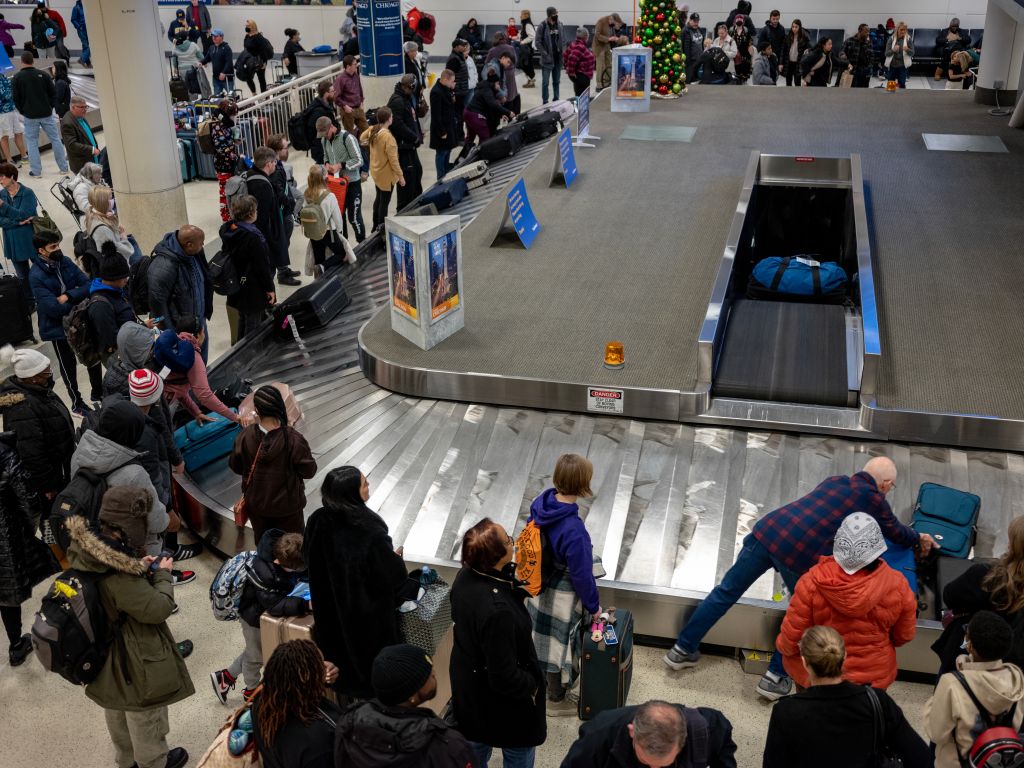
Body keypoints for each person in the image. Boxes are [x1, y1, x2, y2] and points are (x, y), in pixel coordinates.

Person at [664, 457, 935, 700]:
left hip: (768, 533)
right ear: (886, 484)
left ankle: (681, 649)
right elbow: (895, 531)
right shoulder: (874, 499)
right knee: (803, 615)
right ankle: (774, 678)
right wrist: (918, 538)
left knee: (725, 593)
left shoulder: (836, 481)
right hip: (799, 554)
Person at [65, 488, 192, 768]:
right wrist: (163, 575)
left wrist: (137, 566)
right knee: (145, 716)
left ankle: (126, 761)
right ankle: (154, 761)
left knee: (117, 709)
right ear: (130, 525)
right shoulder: (118, 573)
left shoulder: (87, 552)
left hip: (103, 655)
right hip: (133, 659)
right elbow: (157, 609)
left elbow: (114, 593)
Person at [775, 513, 918, 690]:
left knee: (811, 715)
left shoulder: (812, 581)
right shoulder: (898, 585)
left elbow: (790, 639)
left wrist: (788, 654)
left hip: (817, 675)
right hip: (871, 679)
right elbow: (904, 635)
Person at [302, 466, 407, 701]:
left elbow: (307, 557)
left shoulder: (317, 520)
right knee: (371, 677)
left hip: (330, 616)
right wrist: (396, 560)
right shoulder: (369, 531)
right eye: (364, 484)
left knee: (343, 672)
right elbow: (393, 577)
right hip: (368, 624)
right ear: (351, 493)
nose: (368, 487)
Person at [764, 625, 931, 768]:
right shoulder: (877, 702)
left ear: (805, 662)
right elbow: (921, 759)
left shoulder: (786, 712)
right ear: (844, 657)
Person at [451, 518, 545, 767]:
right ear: (496, 555)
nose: (513, 543)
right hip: (505, 704)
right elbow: (503, 675)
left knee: (474, 750)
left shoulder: (465, 576)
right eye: (508, 540)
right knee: (518, 754)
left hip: (470, 692)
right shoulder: (498, 611)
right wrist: (532, 685)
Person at [528, 454, 602, 716]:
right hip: (561, 594)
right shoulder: (573, 529)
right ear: (583, 485)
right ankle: (555, 699)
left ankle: (541, 686)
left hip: (537, 584)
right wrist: (594, 607)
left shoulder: (541, 503)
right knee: (559, 644)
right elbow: (582, 575)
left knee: (540, 639)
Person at [335, 643, 479, 767]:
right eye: (427, 675)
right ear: (411, 695)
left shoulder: (348, 723)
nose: (434, 673)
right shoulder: (448, 746)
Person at [211, 529, 309, 704]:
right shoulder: (265, 574)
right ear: (279, 562)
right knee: (256, 658)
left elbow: (300, 570)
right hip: (252, 619)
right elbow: (275, 605)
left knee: (253, 650)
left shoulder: (284, 550)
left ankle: (225, 677)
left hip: (259, 613)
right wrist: (304, 605)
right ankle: (251, 692)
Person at [71, 399, 168, 556]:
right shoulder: (134, 475)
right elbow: (156, 523)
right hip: (133, 552)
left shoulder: (79, 453)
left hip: (93, 541)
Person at [927, 611, 1024, 768]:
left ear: (969, 645)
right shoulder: (1017, 678)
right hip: (997, 760)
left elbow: (936, 733)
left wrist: (936, 700)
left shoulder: (951, 683)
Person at [932, 516, 1024, 674]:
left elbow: (949, 596)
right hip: (1014, 676)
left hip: (969, 664)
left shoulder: (986, 576)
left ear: (1013, 546)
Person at [0, 347, 75, 538]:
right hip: (47, 481)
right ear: (32, 377)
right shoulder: (21, 409)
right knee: (49, 518)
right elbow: (31, 454)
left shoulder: (40, 391)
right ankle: (54, 548)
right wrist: (47, 486)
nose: (50, 374)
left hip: (60, 471)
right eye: (46, 372)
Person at [0, 428, 58, 667]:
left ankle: (16, 644)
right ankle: (16, 644)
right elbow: (28, 497)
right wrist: (28, 527)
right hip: (6, 533)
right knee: (7, 590)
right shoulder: (4, 454)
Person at [28, 229, 102, 415]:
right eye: (53, 246)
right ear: (41, 251)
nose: (58, 249)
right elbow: (52, 308)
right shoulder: (36, 275)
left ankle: (98, 393)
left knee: (92, 356)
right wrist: (76, 301)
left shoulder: (66, 262)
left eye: (58, 244)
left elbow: (88, 284)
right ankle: (77, 403)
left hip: (81, 321)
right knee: (67, 365)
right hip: (57, 327)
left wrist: (69, 295)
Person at [229, 385, 315, 541]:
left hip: (257, 507)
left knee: (265, 546)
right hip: (288, 509)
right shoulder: (293, 439)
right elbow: (309, 470)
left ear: (257, 410)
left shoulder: (245, 436)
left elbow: (236, 466)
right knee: (292, 550)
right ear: (280, 407)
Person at [561, 699, 737, 768]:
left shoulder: (709, 730)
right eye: (645, 762)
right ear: (632, 732)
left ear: (683, 738)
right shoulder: (598, 737)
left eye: (663, 766)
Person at [251, 640, 341, 768]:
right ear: (307, 680)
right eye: (321, 666)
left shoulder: (262, 701)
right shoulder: (317, 745)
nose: (325, 667)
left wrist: (323, 680)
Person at [155, 317, 237, 425]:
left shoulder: (173, 348)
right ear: (197, 336)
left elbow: (177, 387)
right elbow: (205, 396)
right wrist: (235, 417)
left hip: (154, 397)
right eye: (203, 331)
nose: (204, 335)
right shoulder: (193, 357)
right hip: (162, 407)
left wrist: (196, 412)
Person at [148, 225, 215, 355]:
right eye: (201, 244)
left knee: (201, 366)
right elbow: (157, 309)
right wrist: (172, 336)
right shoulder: (163, 267)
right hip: (180, 334)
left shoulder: (195, 253)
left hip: (198, 325)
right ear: (189, 245)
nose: (203, 246)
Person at [220, 195, 276, 340]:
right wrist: (270, 288)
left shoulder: (229, 230)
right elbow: (262, 266)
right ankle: (250, 354)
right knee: (253, 324)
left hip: (236, 283)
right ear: (251, 213)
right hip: (253, 288)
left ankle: (239, 348)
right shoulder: (253, 237)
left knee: (242, 319)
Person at [245, 146, 298, 287]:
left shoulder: (251, 175)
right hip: (266, 238)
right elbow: (263, 218)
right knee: (268, 272)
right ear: (268, 164)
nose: (276, 164)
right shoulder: (262, 185)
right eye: (274, 162)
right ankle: (268, 304)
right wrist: (272, 241)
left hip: (260, 236)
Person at [11, 52, 69, 178]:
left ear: (22, 61)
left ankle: (36, 172)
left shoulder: (17, 77)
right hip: (46, 113)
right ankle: (64, 168)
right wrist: (50, 107)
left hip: (30, 115)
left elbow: (16, 98)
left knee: (32, 142)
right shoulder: (44, 75)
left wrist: (23, 111)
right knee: (55, 139)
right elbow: (53, 94)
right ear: (33, 61)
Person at [86, 248, 139, 366]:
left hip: (131, 346)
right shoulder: (100, 306)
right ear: (113, 278)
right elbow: (113, 339)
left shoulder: (116, 290)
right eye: (124, 277)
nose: (127, 280)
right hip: (119, 359)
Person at [316, 117, 365, 244]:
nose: (325, 137)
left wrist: (340, 165)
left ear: (332, 127)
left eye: (326, 133)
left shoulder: (347, 138)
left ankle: (363, 243)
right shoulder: (324, 141)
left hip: (352, 182)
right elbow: (326, 156)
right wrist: (327, 164)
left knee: (354, 217)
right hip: (336, 184)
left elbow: (359, 160)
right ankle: (344, 246)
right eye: (322, 135)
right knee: (339, 216)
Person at [0, 161, 40, 308]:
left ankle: (49, 294)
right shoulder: (2, 194)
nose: (0, 180)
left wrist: (4, 207)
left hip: (30, 239)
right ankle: (30, 303)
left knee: (42, 268)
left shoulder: (27, 193)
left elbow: (25, 214)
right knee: (23, 277)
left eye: (2, 176)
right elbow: (1, 220)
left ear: (12, 176)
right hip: (13, 241)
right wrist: (17, 222)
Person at [360, 108, 403, 234]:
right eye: (391, 116)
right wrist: (401, 176)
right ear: (388, 119)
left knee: (379, 199)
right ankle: (380, 229)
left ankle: (375, 227)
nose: (392, 118)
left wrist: (369, 143)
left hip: (376, 171)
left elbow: (362, 139)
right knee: (384, 202)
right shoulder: (388, 137)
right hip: (386, 175)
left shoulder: (373, 130)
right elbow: (394, 161)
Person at [459, 65, 514, 160]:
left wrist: (501, 115)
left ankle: (464, 158)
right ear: (493, 83)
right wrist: (508, 112)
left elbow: (491, 107)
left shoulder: (486, 87)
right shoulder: (487, 90)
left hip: (468, 113)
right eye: (498, 84)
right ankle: (481, 159)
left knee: (470, 138)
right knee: (485, 138)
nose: (499, 86)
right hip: (474, 115)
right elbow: (493, 105)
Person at [387, 74, 423, 211]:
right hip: (404, 148)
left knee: (417, 173)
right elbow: (397, 125)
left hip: (410, 146)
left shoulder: (405, 98)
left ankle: (415, 204)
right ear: (410, 87)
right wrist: (413, 137)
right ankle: (404, 210)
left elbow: (411, 119)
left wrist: (418, 133)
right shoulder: (397, 101)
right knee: (407, 180)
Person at [85, 185, 140, 266]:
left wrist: (113, 219)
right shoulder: (102, 229)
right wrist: (124, 239)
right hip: (118, 270)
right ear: (103, 202)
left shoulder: (96, 215)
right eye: (110, 199)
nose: (112, 200)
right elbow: (119, 253)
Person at [428, 70, 461, 181]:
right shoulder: (436, 92)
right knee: (442, 153)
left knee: (448, 150)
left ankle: (446, 171)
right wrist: (441, 132)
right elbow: (436, 115)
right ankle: (440, 177)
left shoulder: (446, 89)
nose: (454, 83)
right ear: (445, 79)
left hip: (449, 126)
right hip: (442, 129)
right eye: (452, 81)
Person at [210, 99, 238, 221]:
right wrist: (233, 147)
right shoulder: (218, 125)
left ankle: (229, 214)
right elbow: (221, 148)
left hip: (226, 163)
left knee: (228, 190)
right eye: (232, 114)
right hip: (223, 165)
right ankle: (225, 217)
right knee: (224, 192)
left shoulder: (223, 124)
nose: (234, 117)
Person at [60, 95, 100, 174]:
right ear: (73, 107)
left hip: (91, 159)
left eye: (86, 107)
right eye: (82, 107)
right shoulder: (67, 123)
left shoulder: (80, 116)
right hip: (82, 165)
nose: (85, 110)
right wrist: (91, 150)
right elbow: (72, 145)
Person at [332, 55, 369, 137]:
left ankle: (368, 149)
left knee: (367, 132)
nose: (357, 65)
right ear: (348, 66)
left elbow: (359, 89)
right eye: (355, 64)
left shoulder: (356, 75)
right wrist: (345, 106)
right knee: (350, 135)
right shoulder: (340, 79)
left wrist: (361, 102)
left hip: (358, 108)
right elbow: (336, 97)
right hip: (348, 111)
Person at [536, 7, 566, 105]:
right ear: (549, 15)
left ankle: (556, 100)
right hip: (547, 60)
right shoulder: (542, 26)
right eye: (554, 14)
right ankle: (545, 102)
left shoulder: (560, 24)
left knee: (556, 82)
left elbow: (563, 40)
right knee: (545, 83)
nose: (556, 16)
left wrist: (564, 53)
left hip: (558, 59)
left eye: (557, 14)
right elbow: (537, 42)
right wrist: (545, 54)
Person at [486, 31, 520, 115]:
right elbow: (515, 61)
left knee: (500, 95)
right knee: (510, 97)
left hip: (499, 75)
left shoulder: (492, 50)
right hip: (510, 75)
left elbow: (487, 64)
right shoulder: (511, 48)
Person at [304, 79, 337, 166]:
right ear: (326, 93)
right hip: (321, 149)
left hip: (325, 146)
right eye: (332, 91)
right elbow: (314, 132)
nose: (334, 93)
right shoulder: (318, 111)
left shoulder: (327, 105)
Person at [0, 71, 27, 167]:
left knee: (18, 132)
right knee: (4, 136)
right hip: (2, 112)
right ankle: (9, 160)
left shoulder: (3, 75)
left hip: (12, 109)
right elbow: (5, 94)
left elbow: (10, 90)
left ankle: (24, 156)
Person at [593, 13, 625, 91]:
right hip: (599, 46)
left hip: (606, 45)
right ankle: (599, 85)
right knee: (600, 66)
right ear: (611, 18)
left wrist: (615, 38)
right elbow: (597, 35)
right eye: (615, 23)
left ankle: (607, 82)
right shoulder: (601, 21)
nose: (615, 25)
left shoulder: (612, 24)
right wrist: (609, 39)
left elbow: (611, 33)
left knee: (609, 63)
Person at [241, 20, 273, 96]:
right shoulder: (247, 36)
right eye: (245, 26)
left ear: (252, 27)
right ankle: (254, 93)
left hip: (260, 60)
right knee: (248, 77)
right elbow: (245, 46)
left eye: (247, 26)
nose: (246, 27)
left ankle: (264, 95)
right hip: (250, 60)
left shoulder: (259, 37)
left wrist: (264, 62)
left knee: (261, 78)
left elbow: (263, 50)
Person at [565, 28, 596, 98]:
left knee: (579, 96)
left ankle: (579, 108)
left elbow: (565, 55)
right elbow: (572, 59)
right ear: (585, 36)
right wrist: (571, 72)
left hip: (581, 75)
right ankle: (580, 109)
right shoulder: (580, 47)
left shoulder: (574, 44)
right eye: (588, 35)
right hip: (582, 76)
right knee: (582, 98)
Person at [202, 29, 234, 97]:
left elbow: (229, 63)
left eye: (216, 36)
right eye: (213, 36)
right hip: (216, 78)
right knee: (217, 98)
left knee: (231, 97)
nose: (213, 38)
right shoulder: (211, 47)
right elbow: (207, 58)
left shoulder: (226, 48)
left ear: (221, 37)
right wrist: (201, 63)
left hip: (227, 78)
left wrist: (223, 72)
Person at [172, 30, 204, 98]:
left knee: (185, 88)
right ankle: (194, 103)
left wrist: (175, 68)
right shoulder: (193, 45)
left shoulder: (175, 47)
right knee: (194, 88)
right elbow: (201, 57)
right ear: (187, 37)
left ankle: (186, 104)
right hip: (193, 69)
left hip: (181, 71)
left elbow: (174, 61)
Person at [445, 39, 472, 116]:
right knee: (457, 114)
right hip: (457, 92)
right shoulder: (454, 59)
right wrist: (452, 93)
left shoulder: (460, 57)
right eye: (462, 45)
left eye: (465, 45)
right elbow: (449, 77)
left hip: (461, 91)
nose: (465, 47)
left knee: (460, 113)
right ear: (456, 47)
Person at [884, 22, 913, 89]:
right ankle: (890, 98)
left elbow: (912, 53)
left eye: (904, 30)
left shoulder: (908, 39)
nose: (903, 31)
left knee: (902, 84)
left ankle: (902, 98)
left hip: (903, 66)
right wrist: (893, 50)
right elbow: (886, 54)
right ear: (897, 29)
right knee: (891, 85)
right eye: (901, 29)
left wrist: (907, 50)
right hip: (892, 65)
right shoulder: (891, 39)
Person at [757, 10, 785, 78]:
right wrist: (762, 58)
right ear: (770, 18)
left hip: (776, 58)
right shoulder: (765, 30)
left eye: (777, 19)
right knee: (765, 78)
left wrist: (781, 62)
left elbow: (783, 47)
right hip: (766, 58)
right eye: (773, 19)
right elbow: (759, 46)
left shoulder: (782, 29)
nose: (775, 21)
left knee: (774, 78)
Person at [782, 19, 810, 87]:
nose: (794, 29)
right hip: (789, 63)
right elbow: (783, 51)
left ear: (799, 27)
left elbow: (808, 51)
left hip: (798, 63)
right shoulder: (787, 37)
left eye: (796, 27)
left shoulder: (804, 38)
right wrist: (781, 63)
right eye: (793, 27)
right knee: (788, 82)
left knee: (797, 82)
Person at [682, 13, 705, 86]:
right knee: (689, 81)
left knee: (697, 80)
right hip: (690, 61)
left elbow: (701, 44)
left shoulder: (699, 29)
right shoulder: (685, 31)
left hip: (699, 59)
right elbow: (685, 47)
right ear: (690, 20)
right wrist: (687, 61)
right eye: (694, 21)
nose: (696, 23)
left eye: (697, 21)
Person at [729, 14, 753, 83]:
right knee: (737, 66)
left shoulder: (746, 30)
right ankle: (737, 78)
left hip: (744, 50)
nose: (739, 21)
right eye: (738, 20)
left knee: (745, 61)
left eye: (741, 20)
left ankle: (744, 79)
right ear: (735, 21)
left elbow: (750, 40)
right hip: (735, 50)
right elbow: (729, 40)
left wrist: (750, 46)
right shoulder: (731, 30)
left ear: (743, 21)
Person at [403, 41, 426, 105]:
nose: (417, 52)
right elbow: (409, 78)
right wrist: (418, 87)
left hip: (418, 89)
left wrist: (423, 85)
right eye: (415, 50)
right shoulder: (406, 62)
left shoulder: (414, 60)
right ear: (409, 52)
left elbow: (420, 73)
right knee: (413, 106)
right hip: (412, 91)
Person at [520, 11, 537, 88]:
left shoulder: (527, 24)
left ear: (526, 15)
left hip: (527, 49)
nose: (520, 16)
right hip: (526, 48)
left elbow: (532, 36)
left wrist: (523, 42)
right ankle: (530, 80)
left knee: (527, 65)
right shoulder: (525, 23)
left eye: (521, 14)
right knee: (526, 64)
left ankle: (531, 81)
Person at [70, 0, 88, 66]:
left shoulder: (86, 7)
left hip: (88, 29)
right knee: (88, 46)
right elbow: (73, 19)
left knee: (85, 46)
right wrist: (79, 27)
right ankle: (82, 59)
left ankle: (87, 63)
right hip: (81, 29)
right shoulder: (76, 8)